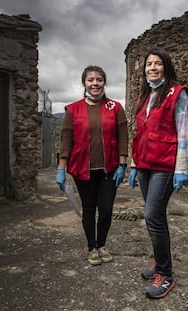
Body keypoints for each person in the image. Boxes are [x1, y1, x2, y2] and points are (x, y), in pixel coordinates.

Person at [128, 48, 188, 299]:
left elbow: (184, 133)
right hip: (144, 165)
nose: (152, 68)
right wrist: (134, 165)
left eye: (158, 64)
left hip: (165, 166)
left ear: (166, 66)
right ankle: (159, 260)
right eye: (149, 64)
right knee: (157, 218)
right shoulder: (144, 97)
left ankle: (165, 275)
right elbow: (139, 134)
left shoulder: (178, 94)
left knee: (152, 215)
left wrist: (182, 169)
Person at [56, 65, 128, 266]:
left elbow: (123, 137)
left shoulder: (115, 107)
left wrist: (123, 163)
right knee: (89, 210)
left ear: (104, 82)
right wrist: (61, 168)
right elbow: (66, 140)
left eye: (99, 79)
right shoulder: (73, 109)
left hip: (110, 170)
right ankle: (91, 247)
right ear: (84, 83)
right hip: (82, 169)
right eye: (91, 80)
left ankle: (102, 244)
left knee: (105, 210)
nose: (95, 83)